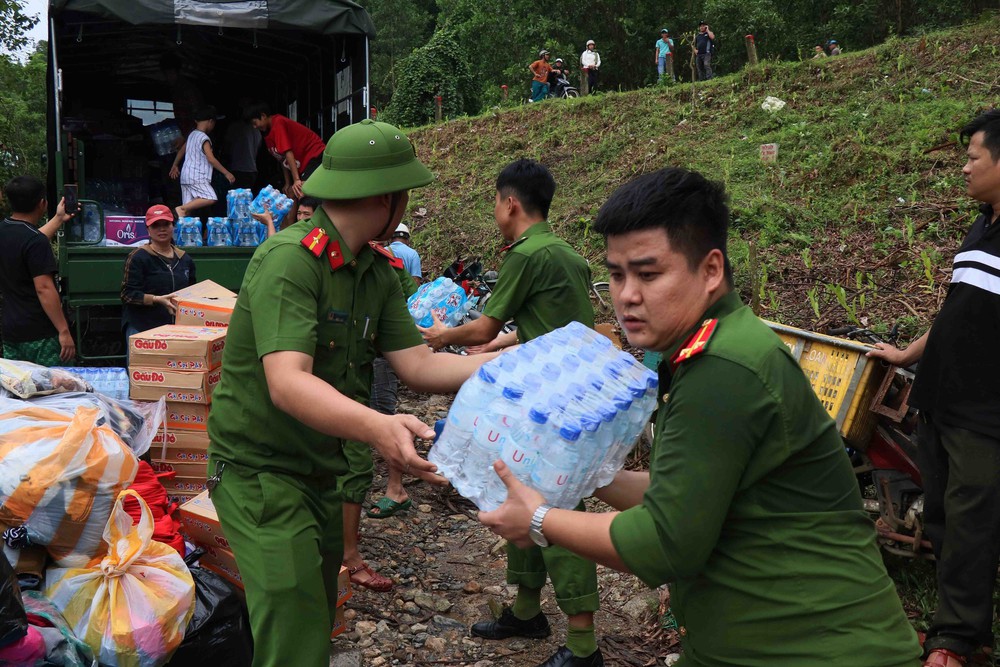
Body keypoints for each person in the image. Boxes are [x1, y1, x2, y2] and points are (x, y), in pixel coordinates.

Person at [479, 167, 924, 667]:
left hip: (815, 647)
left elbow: (665, 543)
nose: (626, 295)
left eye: (649, 275)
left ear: (711, 270)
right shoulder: (709, 349)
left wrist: (539, 519)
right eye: (617, 274)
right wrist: (588, 473)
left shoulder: (724, 366)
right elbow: (680, 493)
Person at [206, 119, 491, 667]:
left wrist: (513, 367)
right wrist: (378, 426)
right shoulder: (291, 261)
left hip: (321, 475)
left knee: (314, 619)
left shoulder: (374, 271)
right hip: (260, 475)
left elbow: (418, 364)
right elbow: (288, 381)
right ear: (387, 196)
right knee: (293, 630)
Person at [420, 159, 602, 667]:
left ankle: (584, 645)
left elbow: (482, 326)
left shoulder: (525, 255)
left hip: (548, 405)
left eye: (496, 202)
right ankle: (526, 611)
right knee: (520, 495)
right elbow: (545, 323)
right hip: (566, 395)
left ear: (511, 203)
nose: (496, 211)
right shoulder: (566, 254)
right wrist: (499, 345)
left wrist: (443, 337)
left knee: (558, 510)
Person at [867, 110, 1000, 667]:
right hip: (940, 399)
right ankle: (964, 628)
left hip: (984, 413)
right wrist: (905, 355)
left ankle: (954, 642)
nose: (964, 168)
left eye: (973, 158)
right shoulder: (981, 227)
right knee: (943, 516)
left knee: (971, 522)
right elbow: (953, 315)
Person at [0, 176, 76, 365]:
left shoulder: (5, 230)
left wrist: (59, 218)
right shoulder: (35, 241)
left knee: (17, 382)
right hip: (40, 334)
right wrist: (63, 331)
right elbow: (44, 289)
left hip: (10, 330)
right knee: (54, 381)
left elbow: (27, 243)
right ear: (42, 203)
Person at [120, 205, 197, 340]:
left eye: (166, 224)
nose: (162, 229)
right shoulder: (138, 257)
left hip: (176, 329)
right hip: (142, 327)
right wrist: (156, 299)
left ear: (173, 226)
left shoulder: (184, 259)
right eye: (155, 225)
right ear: (148, 229)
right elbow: (127, 295)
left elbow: (192, 292)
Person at [244, 101, 327, 199]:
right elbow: (282, 158)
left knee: (300, 190)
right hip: (301, 164)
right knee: (289, 192)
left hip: (314, 155)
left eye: (255, 123)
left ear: (263, 116)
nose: (255, 127)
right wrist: (288, 183)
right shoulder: (267, 134)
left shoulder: (278, 122)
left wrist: (296, 180)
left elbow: (288, 152)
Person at [170, 106, 236, 219]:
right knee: (210, 197)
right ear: (211, 122)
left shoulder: (192, 135)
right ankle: (180, 209)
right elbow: (211, 159)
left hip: (186, 176)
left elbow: (181, 150)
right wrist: (227, 173)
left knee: (187, 213)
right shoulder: (204, 138)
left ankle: (182, 226)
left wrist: (175, 165)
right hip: (197, 176)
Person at [225, 102, 263, 191]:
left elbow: (227, 146)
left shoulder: (234, 127)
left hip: (238, 169)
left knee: (237, 197)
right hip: (252, 169)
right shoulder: (257, 129)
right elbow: (258, 148)